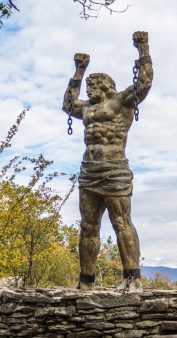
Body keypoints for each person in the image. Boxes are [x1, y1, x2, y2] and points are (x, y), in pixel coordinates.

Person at [62, 31, 153, 292]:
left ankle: (132, 277)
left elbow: (144, 83)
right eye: (87, 85)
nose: (88, 88)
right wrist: (79, 71)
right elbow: (68, 104)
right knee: (88, 226)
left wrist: (143, 49)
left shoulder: (121, 101)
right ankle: (86, 280)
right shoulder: (86, 109)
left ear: (104, 85)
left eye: (91, 84)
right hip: (89, 171)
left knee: (121, 221)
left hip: (114, 170)